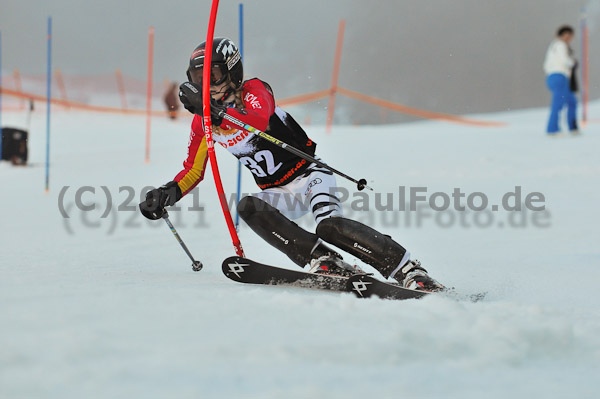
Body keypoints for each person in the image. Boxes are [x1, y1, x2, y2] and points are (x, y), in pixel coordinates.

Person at [139, 37, 443, 292]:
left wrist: (218, 113)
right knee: (248, 207)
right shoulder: (204, 125)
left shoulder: (255, 91)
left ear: (232, 72)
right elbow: (194, 170)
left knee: (330, 225)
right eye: (200, 79)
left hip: (310, 176)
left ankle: (409, 270)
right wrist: (167, 194)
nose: (209, 85)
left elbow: (258, 120)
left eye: (214, 75)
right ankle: (323, 260)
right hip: (279, 191)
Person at [543, 25, 578, 136]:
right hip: (559, 76)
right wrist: (572, 62)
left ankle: (572, 127)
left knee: (572, 101)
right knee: (558, 103)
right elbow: (564, 61)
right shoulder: (560, 45)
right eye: (567, 35)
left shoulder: (554, 46)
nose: (569, 38)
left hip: (554, 76)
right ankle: (552, 129)